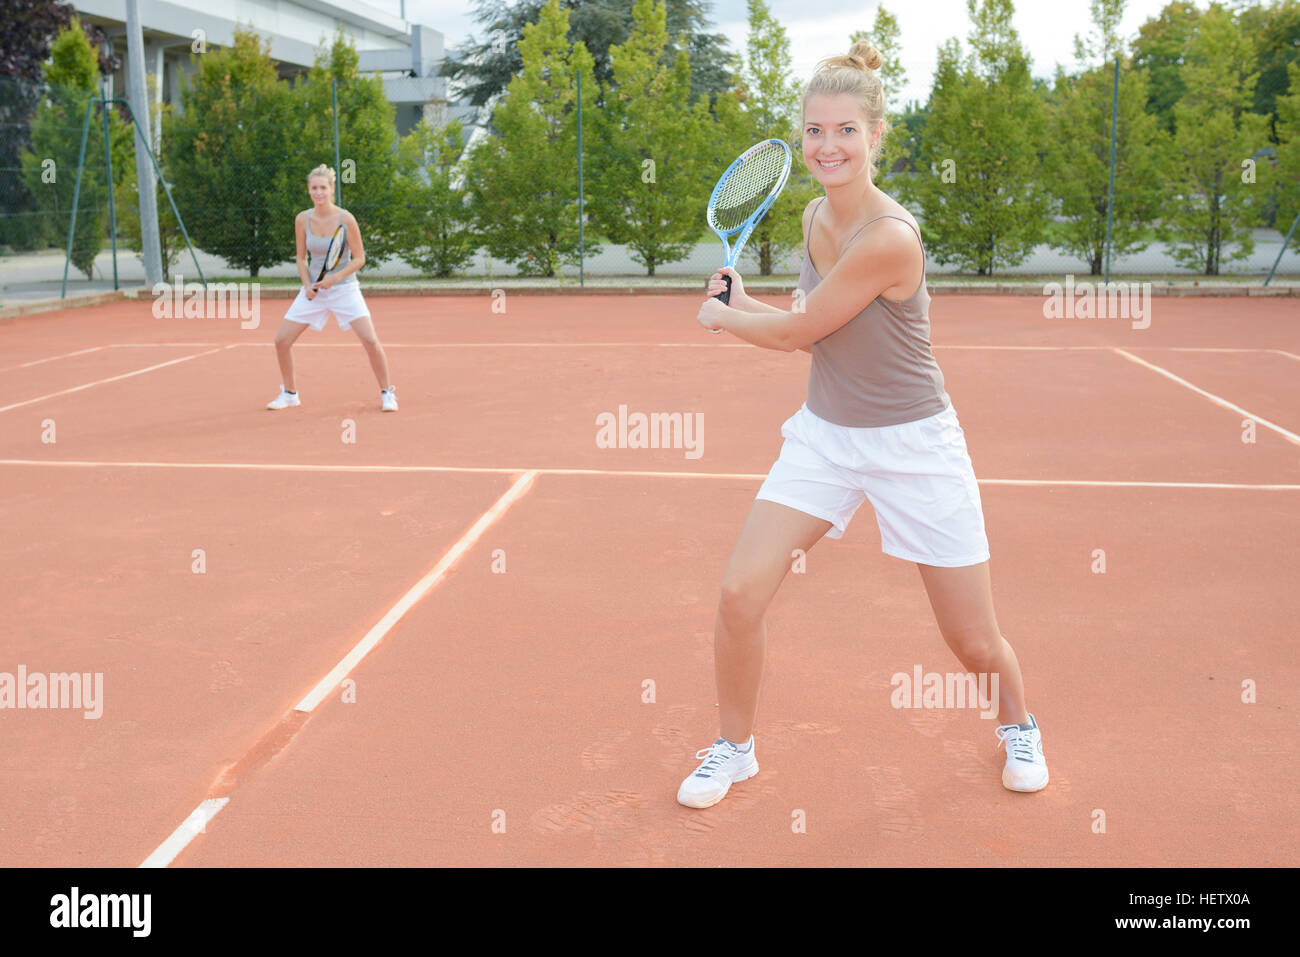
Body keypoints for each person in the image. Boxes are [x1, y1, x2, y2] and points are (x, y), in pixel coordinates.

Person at [680, 40, 1049, 809]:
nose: (828, 146)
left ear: (877, 136)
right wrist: (743, 302)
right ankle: (734, 747)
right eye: (814, 131)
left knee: (973, 639)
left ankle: (1018, 721)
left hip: (915, 444)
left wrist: (723, 318)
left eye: (846, 131)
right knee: (739, 593)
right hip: (825, 437)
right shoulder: (816, 215)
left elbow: (794, 335)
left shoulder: (889, 237)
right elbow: (807, 325)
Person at [266, 164, 397, 412]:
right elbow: (300, 257)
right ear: (309, 190)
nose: (318, 193)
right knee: (281, 341)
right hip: (313, 291)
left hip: (344, 289)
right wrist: (307, 285)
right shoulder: (302, 219)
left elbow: (360, 258)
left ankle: (387, 393)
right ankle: (290, 393)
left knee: (370, 340)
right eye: (314, 188)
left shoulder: (346, 219)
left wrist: (334, 279)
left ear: (331, 189)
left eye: (323, 188)